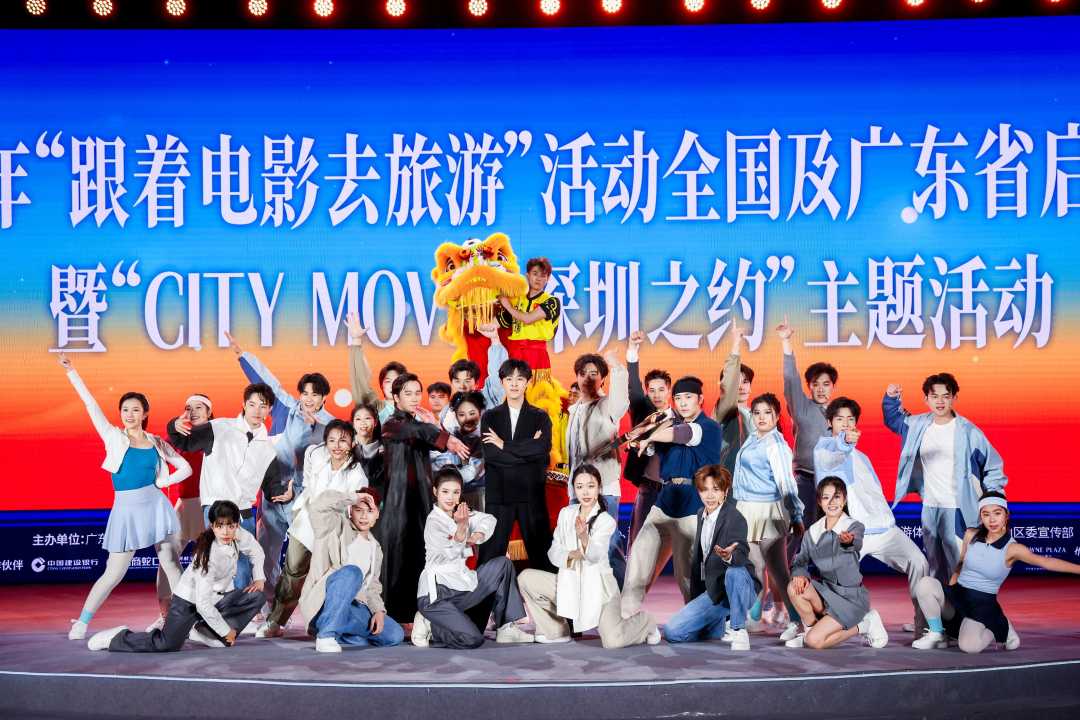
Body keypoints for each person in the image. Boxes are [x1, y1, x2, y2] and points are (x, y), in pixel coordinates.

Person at [59, 353, 190, 641]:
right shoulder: (113, 436)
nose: (129, 414)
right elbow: (90, 405)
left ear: (145, 413)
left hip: (156, 507)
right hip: (126, 511)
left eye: (135, 410)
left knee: (171, 564)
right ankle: (82, 622)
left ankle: (187, 620)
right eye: (125, 410)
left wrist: (164, 481)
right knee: (114, 573)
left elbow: (185, 467)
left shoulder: (157, 442)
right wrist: (71, 372)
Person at [227, 331, 336, 610]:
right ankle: (266, 608)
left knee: (307, 558)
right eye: (305, 393)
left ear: (324, 397)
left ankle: (314, 607)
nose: (308, 398)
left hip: (304, 500)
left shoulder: (331, 427)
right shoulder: (287, 408)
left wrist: (299, 490)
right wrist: (243, 356)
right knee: (265, 552)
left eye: (315, 394)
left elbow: (330, 466)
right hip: (274, 496)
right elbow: (267, 381)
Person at [86, 500, 265, 653]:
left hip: (218, 598)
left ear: (237, 525)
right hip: (190, 602)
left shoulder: (237, 534)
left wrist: (258, 578)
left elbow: (256, 551)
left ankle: (205, 631)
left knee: (257, 595)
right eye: (220, 526)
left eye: (230, 526)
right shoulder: (208, 556)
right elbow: (202, 604)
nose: (225, 531)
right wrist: (227, 632)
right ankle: (116, 637)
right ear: (212, 526)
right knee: (166, 644)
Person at [913, 492, 1080, 653]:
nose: (992, 519)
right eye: (986, 514)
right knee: (925, 584)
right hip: (958, 594)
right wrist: (951, 590)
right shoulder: (971, 534)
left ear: (1006, 515)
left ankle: (1001, 626)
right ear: (981, 516)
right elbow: (960, 563)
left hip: (982, 605)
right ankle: (937, 634)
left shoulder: (1013, 548)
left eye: (997, 513)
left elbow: (1046, 562)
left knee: (969, 647)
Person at [814, 397, 929, 632]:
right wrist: (844, 442)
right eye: (840, 419)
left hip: (884, 529)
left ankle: (924, 625)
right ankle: (816, 626)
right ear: (829, 422)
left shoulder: (862, 457)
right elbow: (834, 455)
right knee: (836, 582)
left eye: (850, 420)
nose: (846, 424)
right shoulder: (823, 449)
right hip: (852, 534)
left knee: (919, 563)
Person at [883, 373, 1008, 585]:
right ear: (926, 399)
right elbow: (893, 419)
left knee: (959, 565)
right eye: (934, 396)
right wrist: (891, 398)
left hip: (957, 508)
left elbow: (993, 467)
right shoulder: (917, 425)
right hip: (930, 506)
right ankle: (941, 606)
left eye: (945, 396)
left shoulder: (969, 432)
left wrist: (994, 500)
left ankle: (965, 606)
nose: (940, 401)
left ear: (954, 398)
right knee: (935, 565)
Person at [518, 464, 659, 647]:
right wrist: (572, 554)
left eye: (590, 486)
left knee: (613, 641)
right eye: (580, 487)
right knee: (526, 578)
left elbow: (594, 556)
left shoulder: (605, 521)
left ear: (599, 488)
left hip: (600, 591)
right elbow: (553, 552)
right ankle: (555, 630)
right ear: (574, 489)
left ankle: (645, 622)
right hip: (570, 584)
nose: (585, 492)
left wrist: (584, 538)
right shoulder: (566, 514)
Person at [620, 375, 721, 617]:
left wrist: (650, 435)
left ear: (700, 399)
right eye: (678, 398)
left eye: (688, 397)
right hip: (664, 504)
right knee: (638, 561)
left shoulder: (708, 427)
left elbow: (681, 434)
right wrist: (641, 441)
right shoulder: (668, 425)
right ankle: (625, 616)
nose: (683, 403)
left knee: (686, 576)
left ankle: (700, 621)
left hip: (693, 507)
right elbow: (651, 448)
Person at [256, 420, 368, 639]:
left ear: (352, 443)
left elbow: (350, 507)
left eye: (343, 441)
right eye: (332, 440)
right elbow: (307, 484)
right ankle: (275, 621)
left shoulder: (357, 474)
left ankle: (322, 624)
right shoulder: (314, 454)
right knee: (292, 571)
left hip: (333, 530)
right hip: (306, 523)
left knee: (325, 577)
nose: (337, 446)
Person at [167, 382, 278, 592]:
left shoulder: (269, 448)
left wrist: (284, 493)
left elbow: (272, 486)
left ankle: (237, 609)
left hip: (244, 512)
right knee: (216, 565)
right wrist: (174, 426)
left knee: (243, 569)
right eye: (252, 404)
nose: (257, 410)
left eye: (263, 406)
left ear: (269, 409)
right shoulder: (218, 427)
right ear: (243, 405)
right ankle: (207, 607)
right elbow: (185, 443)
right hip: (216, 506)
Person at [379, 372, 470, 623]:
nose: (414, 398)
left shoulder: (418, 425)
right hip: (398, 504)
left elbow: (427, 435)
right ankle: (395, 615)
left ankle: (420, 613)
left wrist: (438, 427)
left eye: (417, 393)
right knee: (399, 558)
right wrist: (445, 437)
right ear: (395, 397)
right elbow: (416, 431)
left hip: (419, 500)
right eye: (407, 393)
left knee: (422, 554)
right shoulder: (392, 424)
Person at [412, 468, 535, 649]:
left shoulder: (460, 512)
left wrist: (477, 535)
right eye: (445, 491)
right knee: (473, 639)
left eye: (456, 492)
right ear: (435, 492)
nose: (450, 497)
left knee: (503, 565)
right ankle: (430, 624)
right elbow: (448, 553)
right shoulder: (434, 522)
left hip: (461, 588)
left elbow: (489, 520)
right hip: (436, 596)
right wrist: (462, 529)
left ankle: (506, 627)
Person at [731, 393, 804, 640]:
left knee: (779, 571)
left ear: (776, 416)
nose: (761, 417)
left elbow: (786, 483)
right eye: (757, 413)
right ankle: (753, 619)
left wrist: (796, 515)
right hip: (747, 510)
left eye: (767, 413)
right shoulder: (754, 438)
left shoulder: (776, 445)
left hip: (768, 510)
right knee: (754, 568)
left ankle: (797, 621)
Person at [786, 478, 888, 649]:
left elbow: (856, 543)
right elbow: (800, 561)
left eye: (837, 497)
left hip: (851, 599)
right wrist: (799, 574)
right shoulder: (813, 532)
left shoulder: (853, 527)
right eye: (826, 497)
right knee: (793, 587)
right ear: (820, 502)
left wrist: (848, 542)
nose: (832, 502)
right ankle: (810, 632)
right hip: (827, 593)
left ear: (844, 500)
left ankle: (865, 624)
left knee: (814, 642)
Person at [663, 465, 757, 650]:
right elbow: (699, 564)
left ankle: (738, 629)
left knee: (735, 572)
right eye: (704, 490)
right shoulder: (701, 514)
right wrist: (695, 602)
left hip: (739, 588)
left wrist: (730, 556)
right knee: (673, 632)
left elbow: (741, 553)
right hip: (716, 592)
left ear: (725, 491)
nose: (710, 495)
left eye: (716, 489)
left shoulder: (734, 517)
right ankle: (720, 625)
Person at [299, 487, 405, 652]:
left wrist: (378, 611)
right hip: (324, 604)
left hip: (354, 607)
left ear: (377, 514)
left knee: (394, 634)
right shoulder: (334, 526)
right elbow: (318, 506)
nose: (363, 516)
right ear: (350, 510)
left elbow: (372, 587)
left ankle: (339, 632)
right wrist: (354, 497)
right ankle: (326, 635)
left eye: (369, 511)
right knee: (353, 572)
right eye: (358, 510)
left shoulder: (376, 548)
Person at [478, 358, 555, 572]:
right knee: (489, 556)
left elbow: (542, 449)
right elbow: (491, 455)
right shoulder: (490, 417)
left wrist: (504, 445)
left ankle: (550, 594)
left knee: (543, 555)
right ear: (502, 382)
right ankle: (484, 595)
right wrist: (528, 451)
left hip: (531, 494)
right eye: (509, 379)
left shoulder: (540, 417)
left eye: (520, 379)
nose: (514, 384)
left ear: (528, 382)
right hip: (499, 495)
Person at [565, 350, 629, 586]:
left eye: (594, 373)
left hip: (604, 489)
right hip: (577, 491)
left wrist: (616, 365)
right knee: (580, 544)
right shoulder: (575, 410)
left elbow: (621, 400)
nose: (588, 378)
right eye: (583, 373)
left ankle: (620, 596)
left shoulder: (607, 406)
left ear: (603, 378)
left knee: (609, 544)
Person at [150, 393, 214, 632]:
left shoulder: (217, 435)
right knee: (167, 556)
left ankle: (210, 617)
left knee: (213, 563)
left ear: (209, 412)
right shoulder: (178, 439)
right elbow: (157, 449)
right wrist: (172, 427)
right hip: (184, 506)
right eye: (189, 408)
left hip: (210, 507)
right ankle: (167, 614)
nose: (193, 412)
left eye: (199, 407)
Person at [775, 315, 836, 531]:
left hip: (833, 480)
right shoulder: (801, 407)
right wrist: (786, 342)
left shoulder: (841, 413)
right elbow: (791, 379)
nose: (820, 389)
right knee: (800, 531)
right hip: (805, 479)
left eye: (826, 384)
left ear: (833, 386)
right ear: (809, 386)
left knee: (829, 531)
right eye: (815, 384)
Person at [624, 330, 672, 553]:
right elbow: (633, 385)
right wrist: (633, 350)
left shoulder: (681, 417)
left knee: (675, 546)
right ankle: (632, 576)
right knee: (638, 543)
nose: (657, 395)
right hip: (649, 488)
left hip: (674, 491)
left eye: (661, 389)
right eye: (651, 390)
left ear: (669, 390)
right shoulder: (642, 411)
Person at [443, 322, 508, 434]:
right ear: (452, 383)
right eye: (457, 381)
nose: (462, 386)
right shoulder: (448, 410)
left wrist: (495, 339)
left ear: (476, 382)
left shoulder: (488, 397)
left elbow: (496, 374)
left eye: (467, 381)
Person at [347, 311, 405, 423]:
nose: (392, 385)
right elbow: (361, 384)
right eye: (388, 381)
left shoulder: (418, 414)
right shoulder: (377, 408)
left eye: (397, 381)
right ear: (382, 385)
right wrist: (356, 341)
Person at [433, 391, 487, 511]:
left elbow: (472, 472)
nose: (467, 418)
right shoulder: (451, 436)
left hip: (474, 493)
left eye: (472, 413)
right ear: (456, 416)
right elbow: (434, 461)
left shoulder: (483, 439)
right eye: (461, 414)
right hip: (447, 494)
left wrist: (444, 475)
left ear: (480, 413)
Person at [711, 324, 754, 474]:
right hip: (726, 477)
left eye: (745, 382)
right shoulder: (725, 410)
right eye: (737, 382)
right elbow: (729, 383)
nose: (740, 387)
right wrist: (736, 344)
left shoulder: (759, 415)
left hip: (752, 480)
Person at [351, 401, 384, 498]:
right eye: (358, 419)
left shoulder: (386, 449)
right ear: (353, 423)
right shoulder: (345, 447)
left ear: (375, 422)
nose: (363, 423)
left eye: (367, 418)